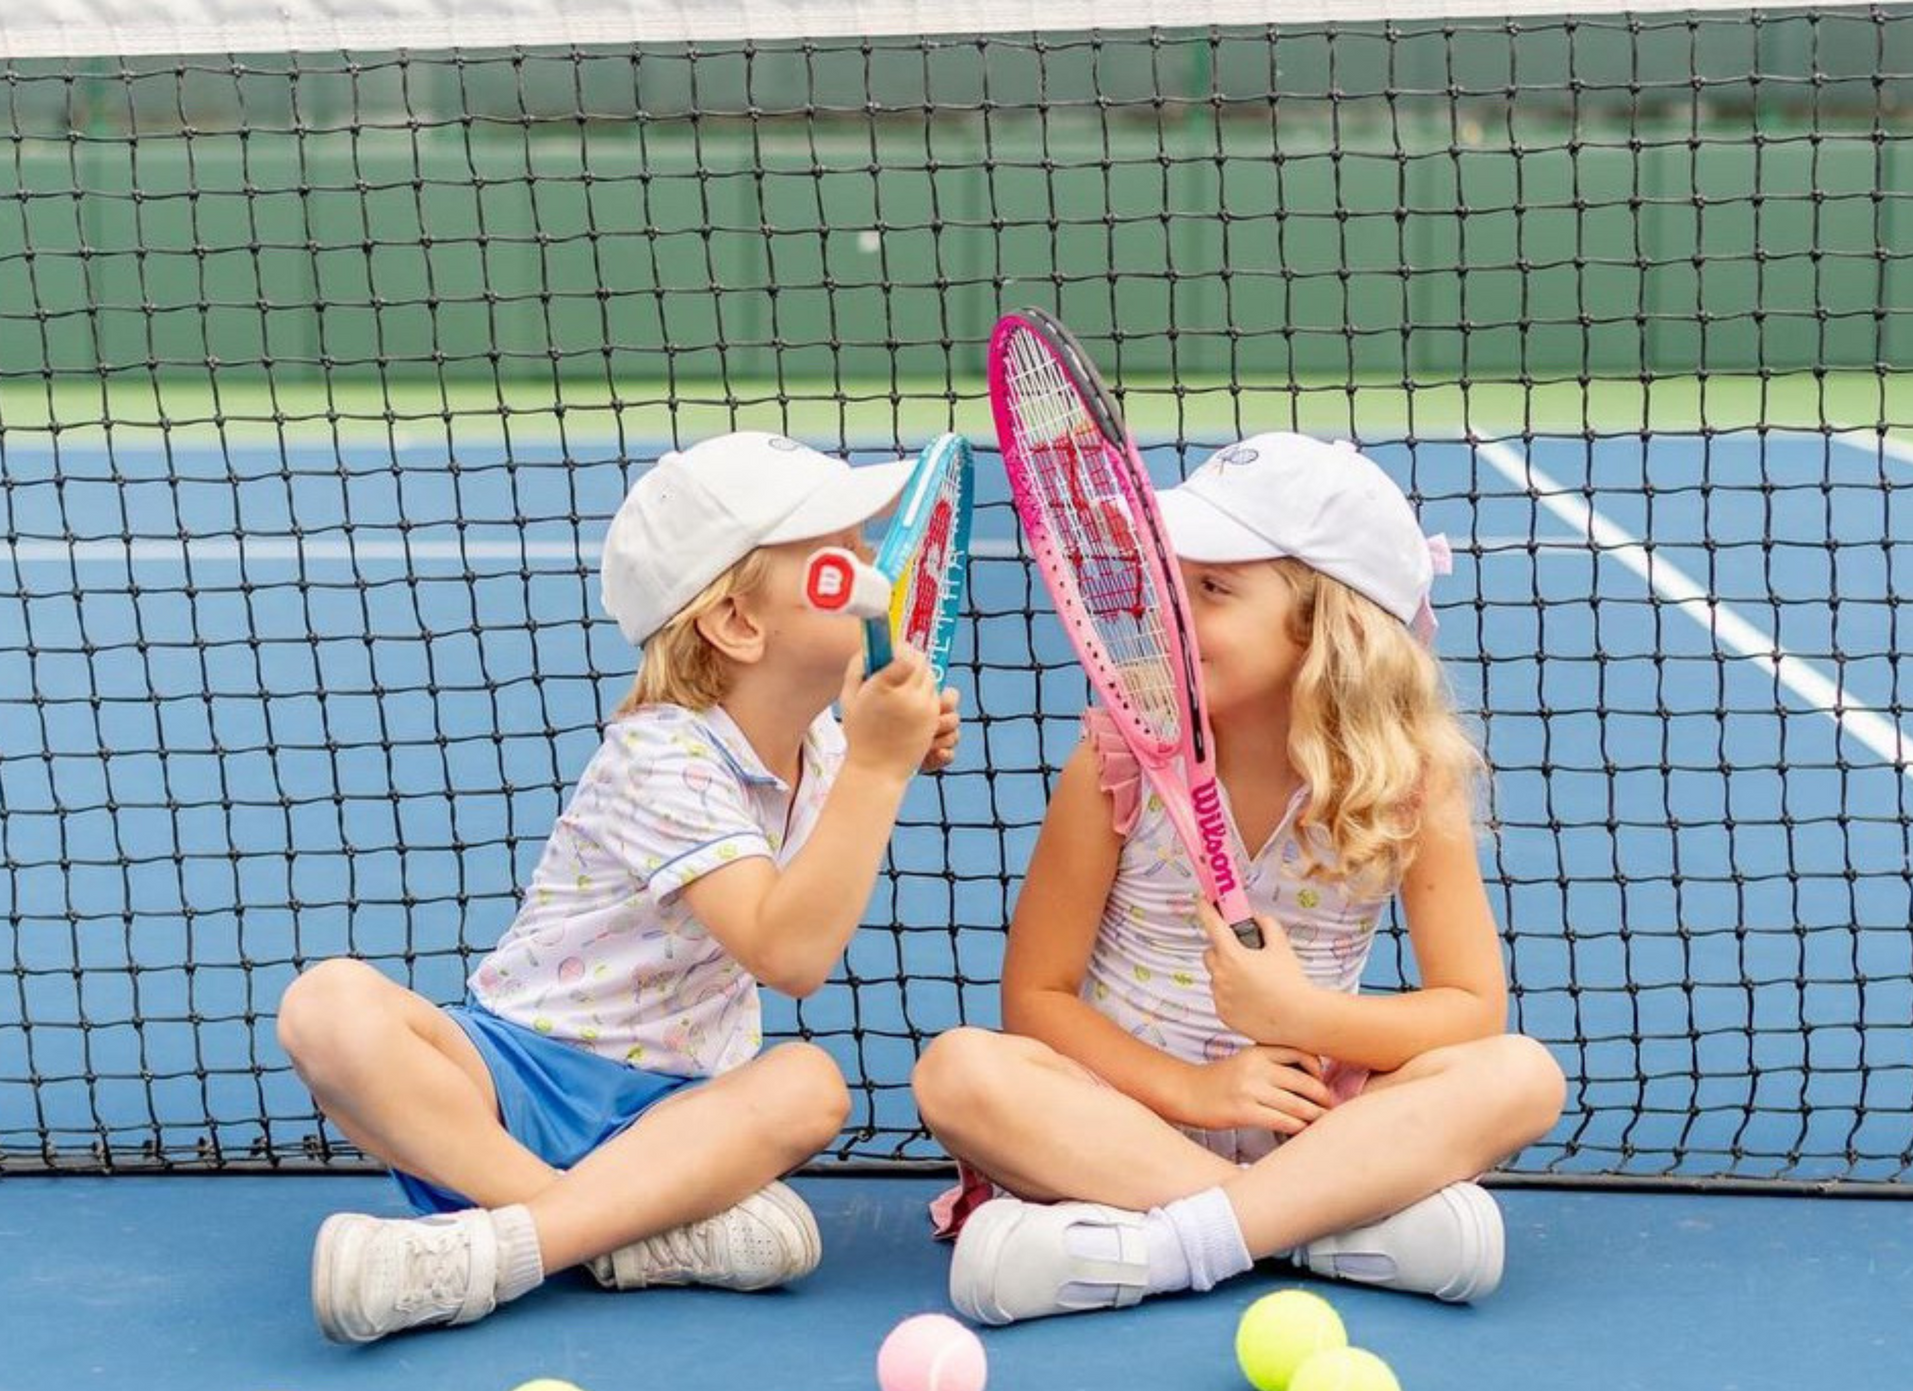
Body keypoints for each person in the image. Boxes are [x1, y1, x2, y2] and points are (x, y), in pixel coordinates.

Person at [277, 431, 959, 1343]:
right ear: (740, 624)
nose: (880, 567)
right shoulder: (660, 753)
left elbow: (816, 898)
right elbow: (789, 952)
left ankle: (510, 1243)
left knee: (808, 1083)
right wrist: (880, 773)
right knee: (326, 1008)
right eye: (845, 554)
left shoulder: (831, 743)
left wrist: (885, 760)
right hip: (506, 1086)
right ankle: (596, 1230)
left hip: (678, 1112)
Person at [914, 432, 1565, 1324]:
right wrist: (1196, 1092)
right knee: (957, 1072)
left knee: (1523, 1075)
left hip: (1313, 1120)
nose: (1170, 611)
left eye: (1213, 589)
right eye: (1171, 578)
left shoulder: (1411, 782)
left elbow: (1470, 1007)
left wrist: (1303, 1018)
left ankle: (1163, 1246)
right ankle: (1311, 1226)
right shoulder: (1116, 757)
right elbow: (1037, 997)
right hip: (1120, 1120)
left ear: (1330, 627)